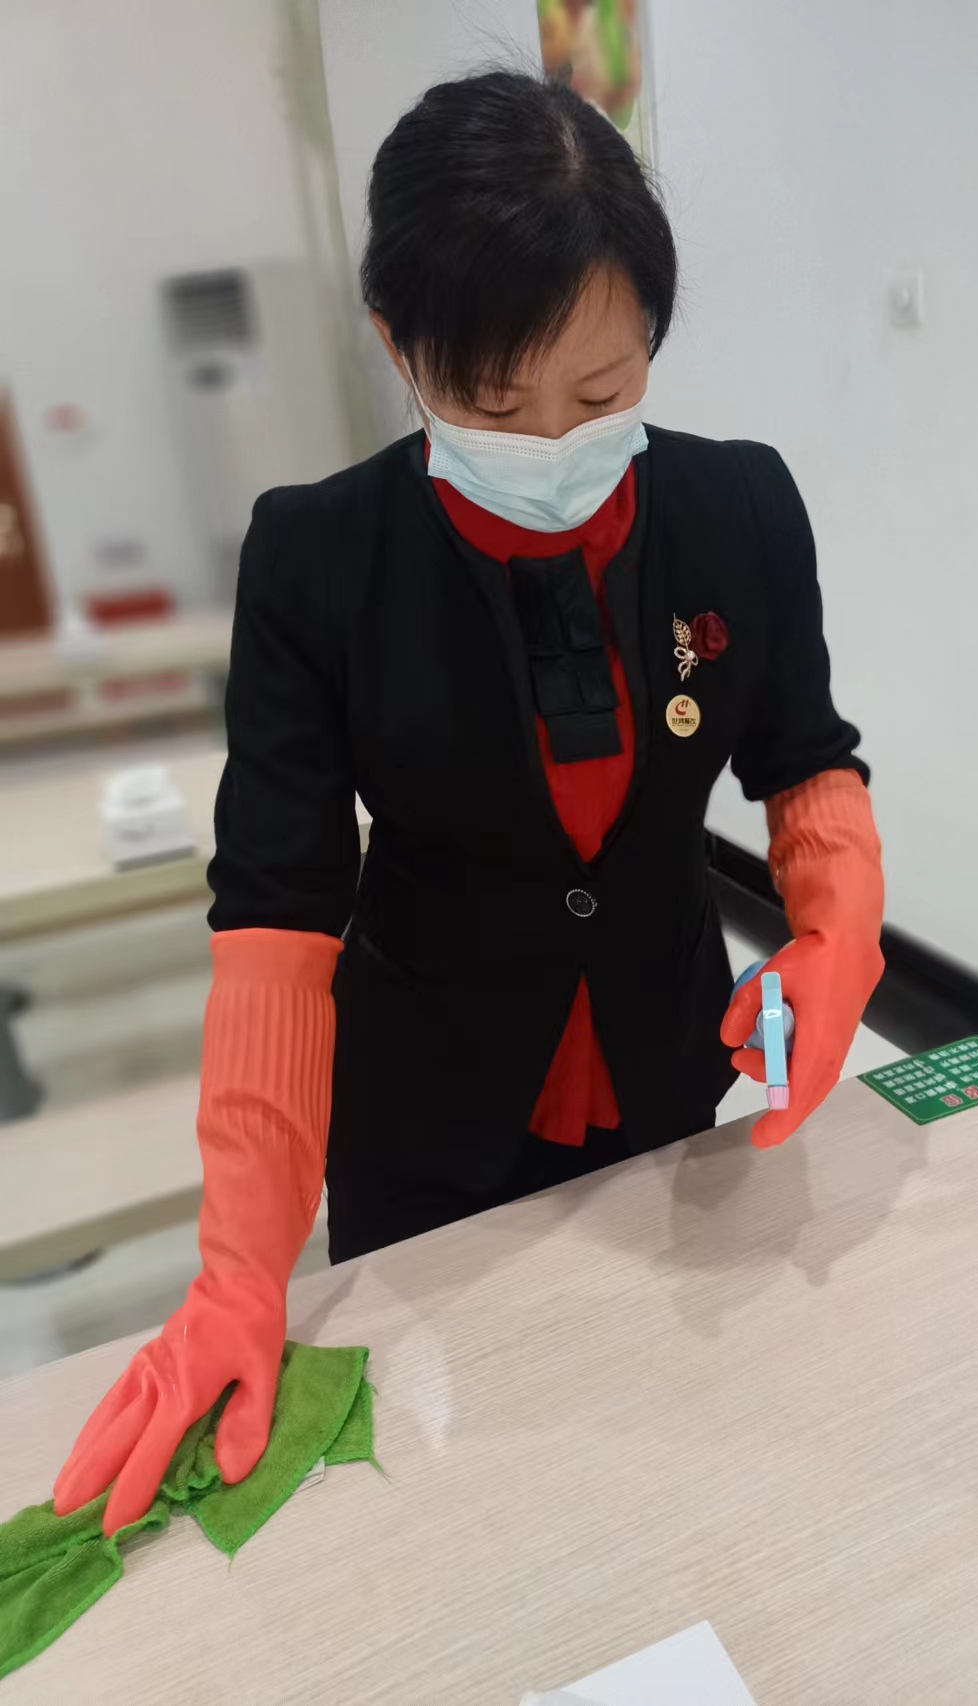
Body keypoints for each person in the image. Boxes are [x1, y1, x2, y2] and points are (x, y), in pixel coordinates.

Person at [53, 70, 885, 1535]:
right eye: (496, 402)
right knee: (451, 1511)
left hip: (668, 1081)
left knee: (693, 1472)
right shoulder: (319, 560)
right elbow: (277, 922)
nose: (557, 441)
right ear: (396, 342)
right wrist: (240, 1270)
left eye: (604, 393)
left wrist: (838, 928)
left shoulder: (741, 508)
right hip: (425, 1115)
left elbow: (805, 758)